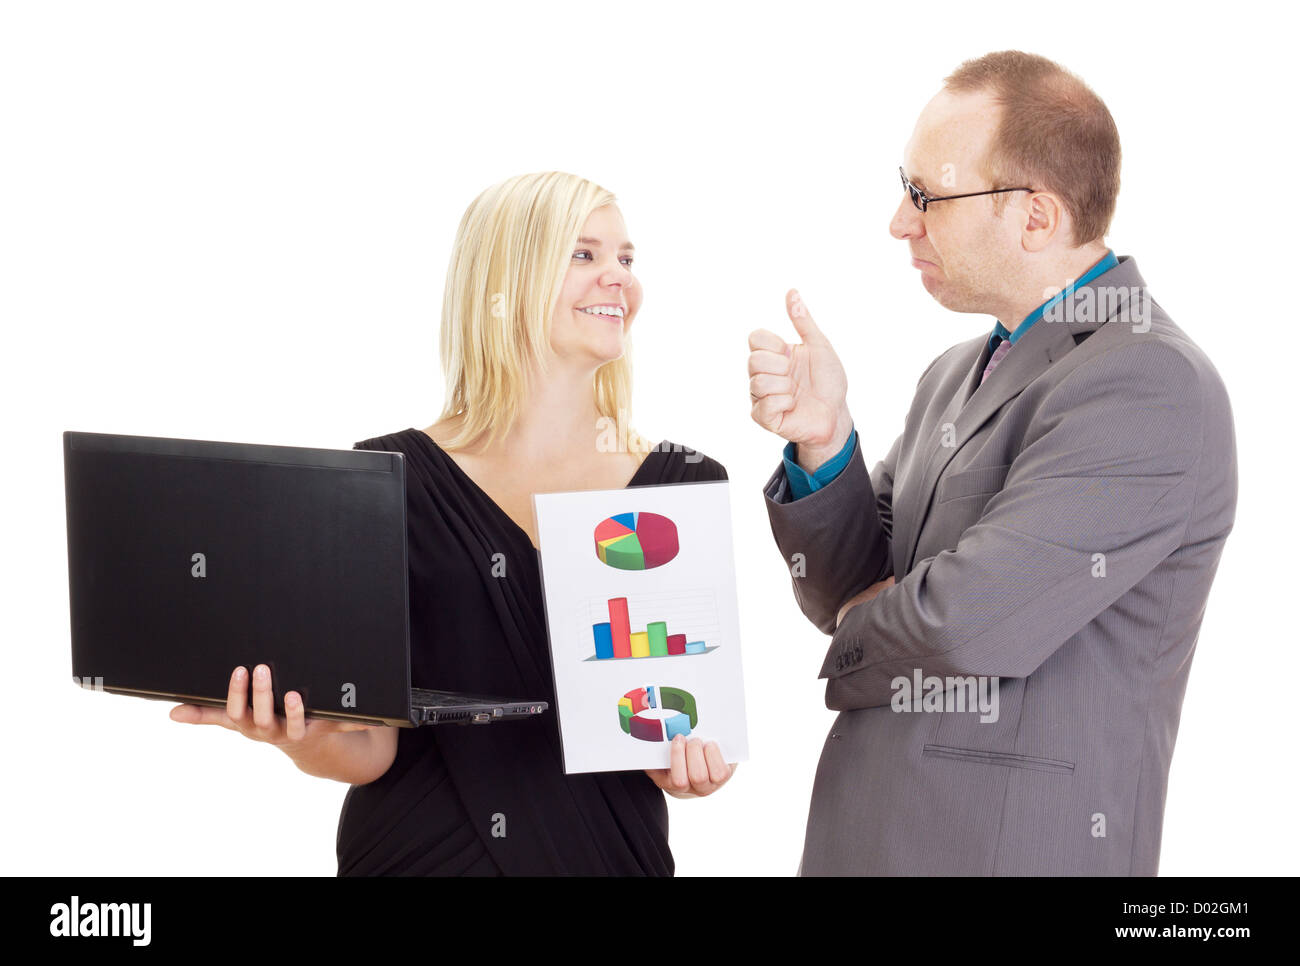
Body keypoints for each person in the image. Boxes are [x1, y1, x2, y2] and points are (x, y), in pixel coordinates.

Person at [748, 50, 1236, 875]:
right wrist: (825, 443)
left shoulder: (1150, 382)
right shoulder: (953, 373)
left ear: (1036, 217)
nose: (900, 222)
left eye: (925, 196)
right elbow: (846, 586)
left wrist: (873, 620)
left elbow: (964, 628)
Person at [171, 171, 736, 875]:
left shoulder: (680, 487)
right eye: (584, 255)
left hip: (604, 855)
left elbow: (669, 729)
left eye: (627, 257)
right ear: (506, 281)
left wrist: (691, 768)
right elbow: (369, 749)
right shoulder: (387, 479)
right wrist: (298, 733)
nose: (619, 279)